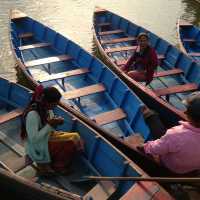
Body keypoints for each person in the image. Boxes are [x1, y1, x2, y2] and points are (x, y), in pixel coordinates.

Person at [21, 85, 83, 175]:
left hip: (45, 138)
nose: (56, 106)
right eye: (54, 104)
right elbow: (34, 139)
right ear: (47, 102)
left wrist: (56, 122)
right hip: (35, 145)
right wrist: (50, 125)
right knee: (71, 141)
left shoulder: (46, 109)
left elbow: (49, 124)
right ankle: (58, 166)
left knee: (77, 137)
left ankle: (52, 160)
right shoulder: (32, 114)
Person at [136, 93, 200, 175]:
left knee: (158, 128)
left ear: (190, 115)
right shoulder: (177, 134)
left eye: (187, 111)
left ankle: (150, 115)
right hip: (191, 170)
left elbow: (155, 149)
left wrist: (145, 147)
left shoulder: (176, 134)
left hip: (172, 167)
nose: (185, 111)